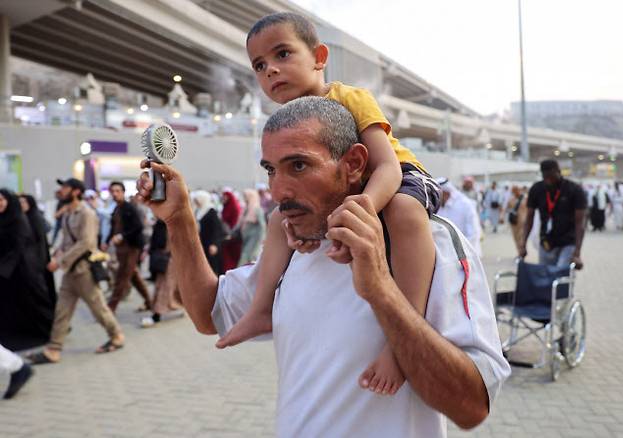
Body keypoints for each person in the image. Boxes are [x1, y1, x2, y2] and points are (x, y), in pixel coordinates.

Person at [136, 97, 508, 437]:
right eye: (270, 170)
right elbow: (208, 313)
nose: (279, 191)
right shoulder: (295, 246)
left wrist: (380, 290)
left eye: (298, 165)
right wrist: (180, 219)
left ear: (353, 164)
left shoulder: (430, 243)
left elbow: (471, 406)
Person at [216, 13, 442, 395]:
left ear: (319, 56)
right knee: (276, 220)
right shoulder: (284, 122)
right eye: (259, 65)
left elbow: (386, 166)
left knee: (404, 213)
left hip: (401, 178)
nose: (270, 69)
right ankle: (259, 310)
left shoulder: (349, 98)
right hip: (350, 192)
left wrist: (364, 207)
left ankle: (402, 338)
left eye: (282, 54)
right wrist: (300, 226)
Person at [27, 178, 124, 364]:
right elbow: (66, 241)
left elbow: (86, 243)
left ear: (76, 192)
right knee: (62, 311)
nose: (61, 191)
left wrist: (61, 261)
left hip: (84, 270)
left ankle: (117, 335)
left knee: (98, 308)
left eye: (66, 188)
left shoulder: (86, 213)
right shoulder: (67, 214)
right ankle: (54, 349)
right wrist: (57, 254)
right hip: (70, 273)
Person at [0, 189, 55, 352]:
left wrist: (4, 268)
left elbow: (19, 247)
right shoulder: (4, 219)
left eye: (2, 200)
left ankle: (49, 332)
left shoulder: (19, 220)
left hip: (22, 270)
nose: (0, 203)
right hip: (8, 271)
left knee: (33, 302)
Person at [520, 160, 587, 268]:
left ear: (559, 172)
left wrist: (577, 252)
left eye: (551, 176)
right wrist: (522, 245)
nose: (548, 181)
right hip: (546, 243)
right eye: (545, 177)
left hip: (568, 243)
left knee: (561, 276)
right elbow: (529, 219)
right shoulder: (537, 189)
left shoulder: (574, 190)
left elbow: (580, 223)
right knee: (545, 278)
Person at [104, 181, 151, 313]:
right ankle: (149, 302)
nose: (115, 194)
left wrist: (122, 236)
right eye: (112, 191)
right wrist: (107, 241)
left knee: (122, 277)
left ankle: (110, 307)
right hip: (121, 249)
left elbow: (138, 227)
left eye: (118, 191)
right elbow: (113, 227)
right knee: (134, 277)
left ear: (123, 192)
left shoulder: (130, 207)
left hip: (131, 247)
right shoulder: (116, 209)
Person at [141, 220, 183, 328]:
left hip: (169, 259)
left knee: (164, 287)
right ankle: (181, 306)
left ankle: (156, 315)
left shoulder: (170, 222)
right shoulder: (160, 223)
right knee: (169, 287)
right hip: (164, 259)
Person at [19, 193, 57, 306]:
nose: (21, 205)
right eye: (19, 203)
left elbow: (41, 242)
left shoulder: (35, 218)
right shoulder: (22, 218)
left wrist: (39, 262)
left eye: (23, 202)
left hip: (38, 261)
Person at [436, 178, 481, 256]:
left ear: (445, 192)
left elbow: (473, 232)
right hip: (445, 254)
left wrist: (462, 253)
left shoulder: (465, 204)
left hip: (465, 254)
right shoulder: (438, 206)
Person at [192, 190, 227, 275]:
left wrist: (214, 244)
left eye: (198, 201)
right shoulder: (199, 211)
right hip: (202, 242)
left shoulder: (211, 212)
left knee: (211, 268)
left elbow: (216, 230)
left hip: (210, 244)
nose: (197, 203)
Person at [238, 189, 266, 266]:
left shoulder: (257, 210)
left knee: (248, 256)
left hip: (254, 238)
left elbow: (262, 225)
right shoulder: (246, 209)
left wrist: (262, 238)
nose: (245, 198)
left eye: (247, 197)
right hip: (246, 238)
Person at [220, 189, 243, 271]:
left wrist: (230, 234)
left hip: (232, 237)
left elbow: (235, 222)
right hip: (225, 237)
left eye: (225, 197)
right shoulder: (225, 207)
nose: (224, 198)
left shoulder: (234, 207)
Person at [506, 186, 528, 255]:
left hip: (523, 222)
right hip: (514, 222)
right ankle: (519, 252)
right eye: (514, 191)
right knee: (516, 238)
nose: (516, 192)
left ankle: (522, 251)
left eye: (517, 190)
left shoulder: (525, 199)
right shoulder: (511, 200)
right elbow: (507, 209)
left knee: (522, 238)